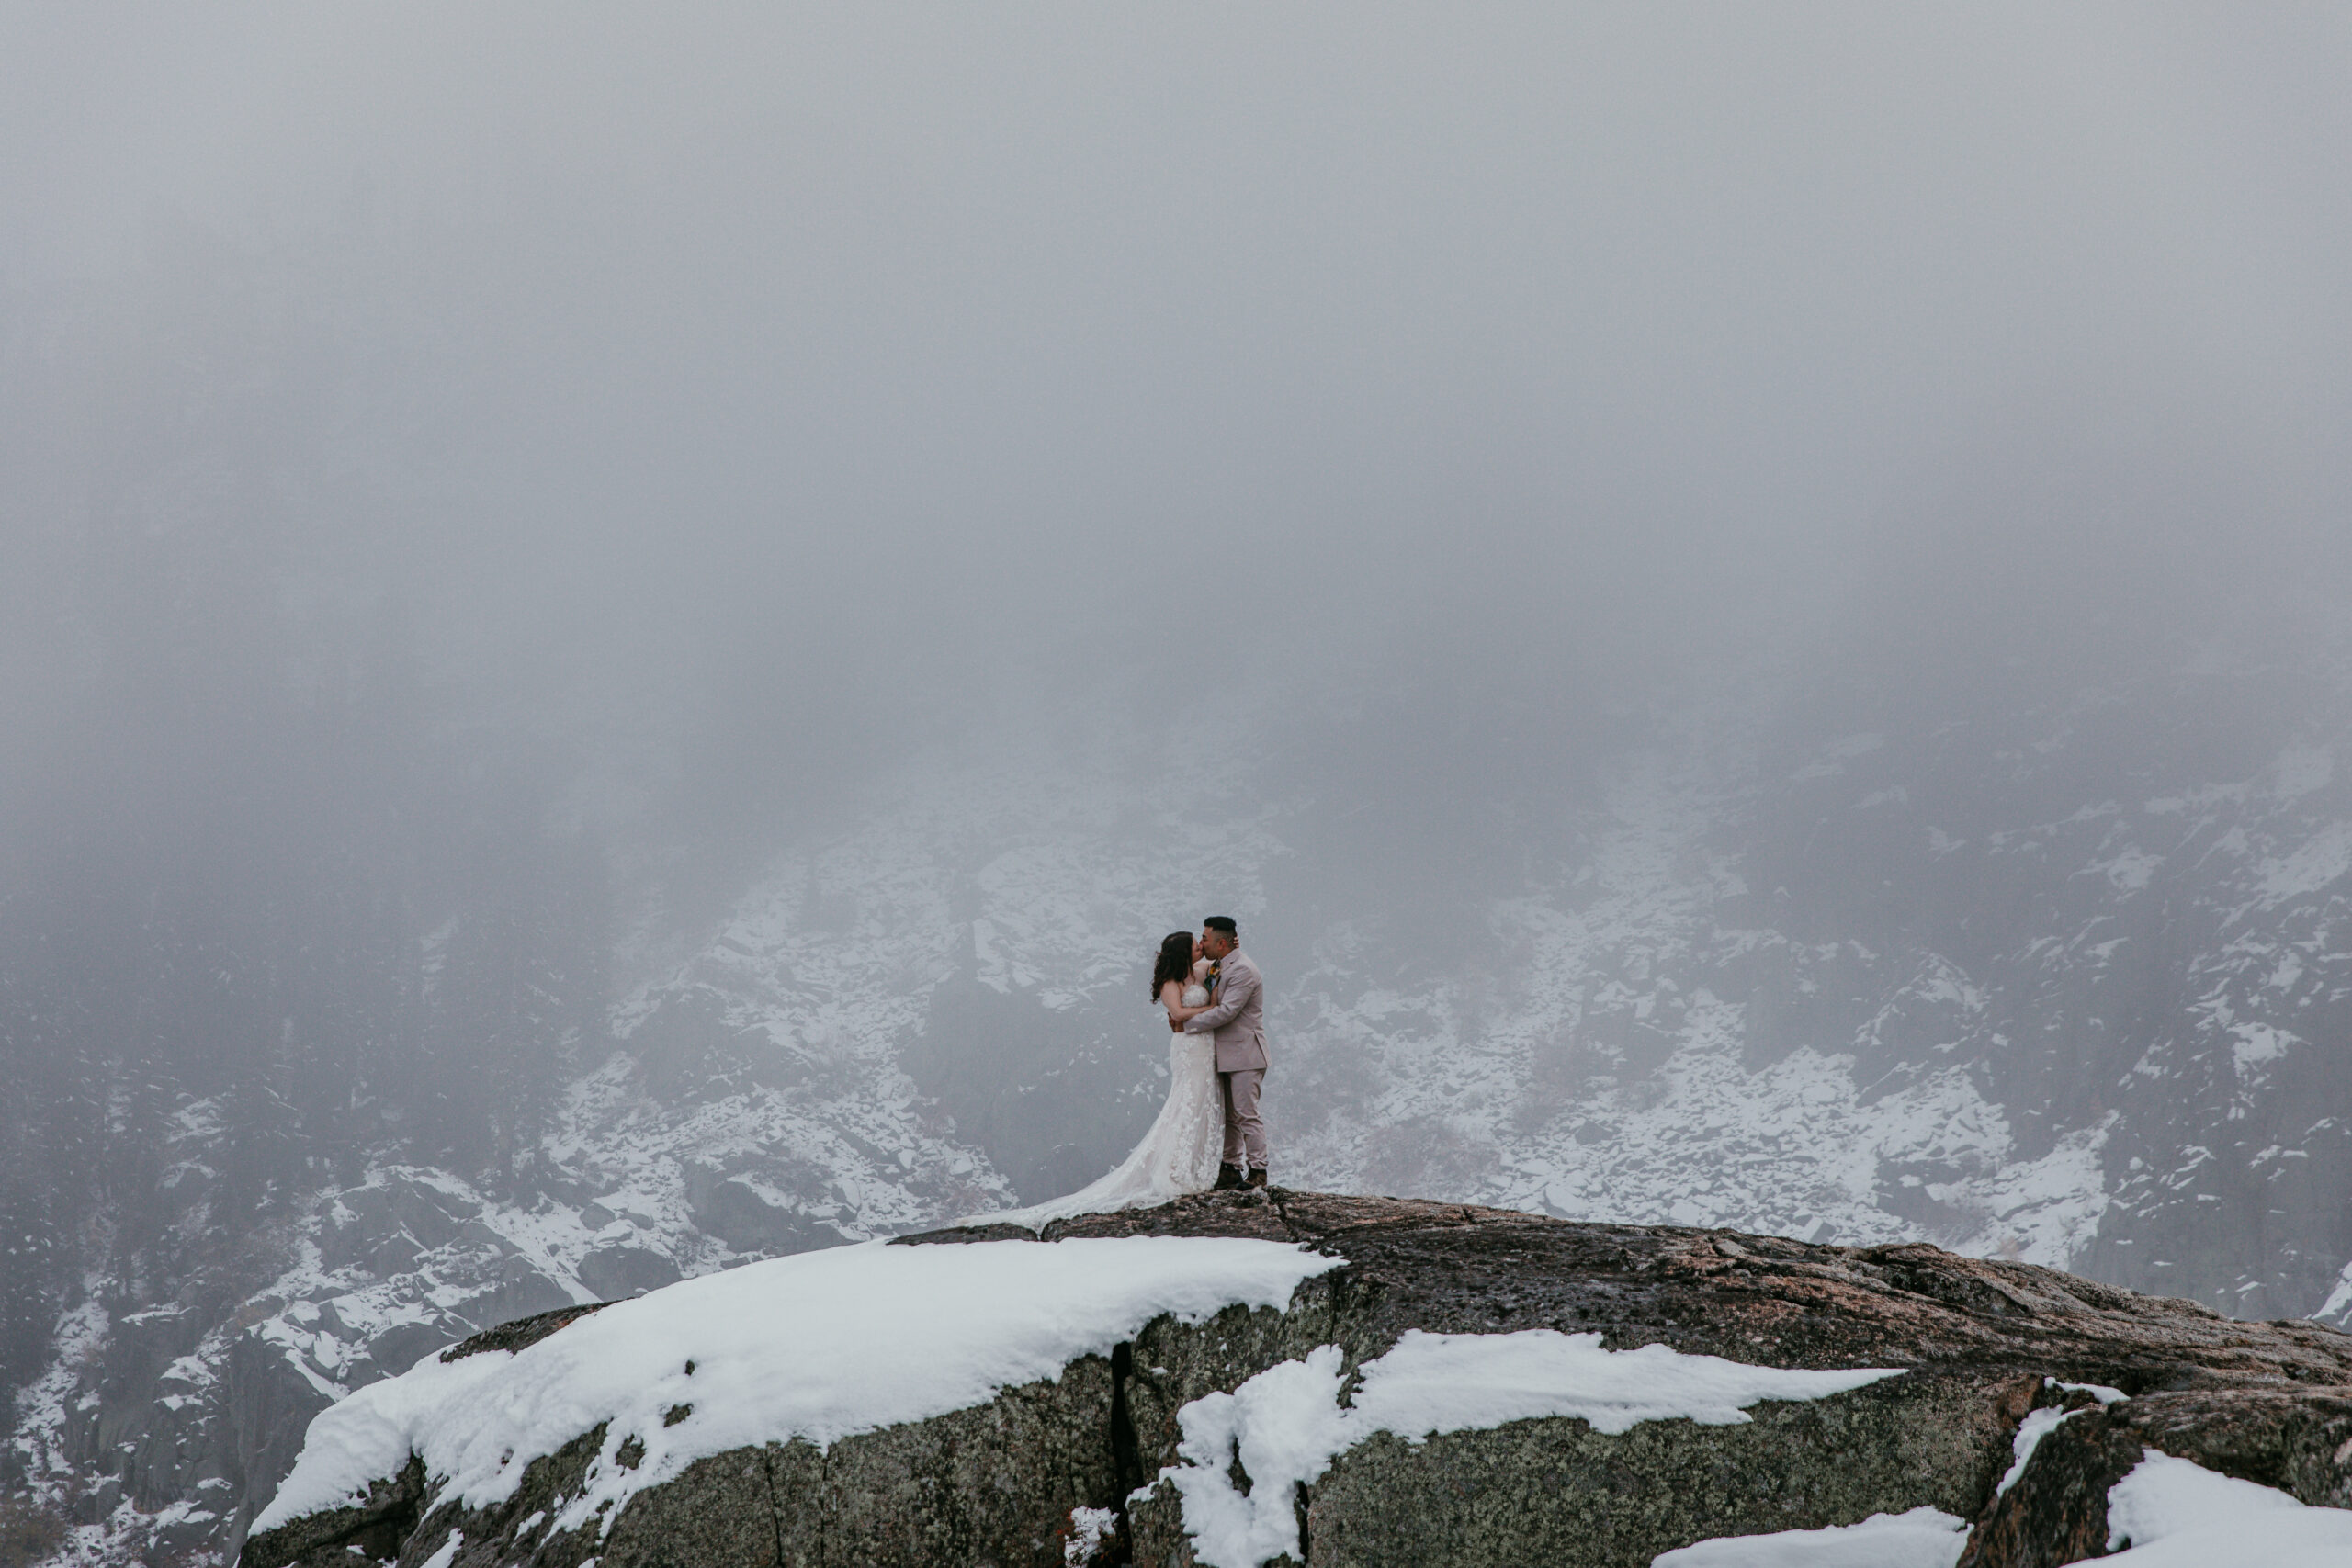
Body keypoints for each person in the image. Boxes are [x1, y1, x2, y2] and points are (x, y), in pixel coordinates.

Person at [968, 931, 1224, 1226]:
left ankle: (1200, 1162)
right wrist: (1214, 1010)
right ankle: (1178, 1168)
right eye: (1194, 945)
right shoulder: (1171, 983)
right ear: (1183, 952)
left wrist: (1228, 948)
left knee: (1205, 1099)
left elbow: (1218, 961)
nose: (1199, 948)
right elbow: (1178, 1013)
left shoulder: (1201, 970)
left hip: (1206, 1047)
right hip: (1187, 1048)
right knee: (1186, 1102)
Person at [1178, 915, 1268, 1190]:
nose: (1201, 943)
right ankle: (1230, 1167)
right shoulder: (1220, 964)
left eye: (1205, 938)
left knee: (1246, 1114)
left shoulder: (1243, 970)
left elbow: (1228, 1011)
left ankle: (1258, 1172)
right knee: (1230, 1115)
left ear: (1222, 942)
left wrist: (1187, 1024)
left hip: (1245, 1055)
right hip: (1226, 1055)